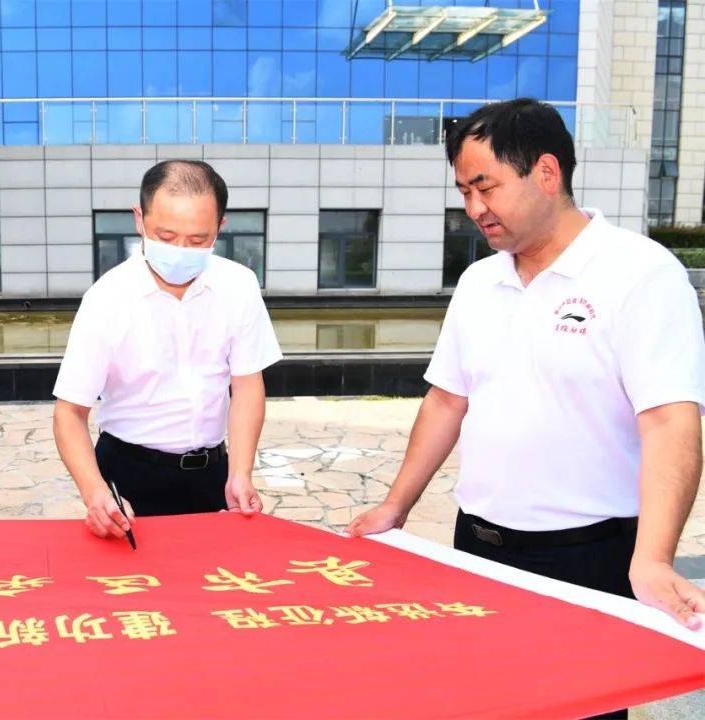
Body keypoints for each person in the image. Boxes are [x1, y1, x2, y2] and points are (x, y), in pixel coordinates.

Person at [348, 99, 705, 639]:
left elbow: (670, 422)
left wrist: (653, 559)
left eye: (485, 187)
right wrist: (395, 506)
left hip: (590, 556)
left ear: (545, 172)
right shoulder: (478, 282)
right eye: (464, 192)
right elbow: (447, 400)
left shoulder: (642, 275)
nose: (473, 208)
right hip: (478, 546)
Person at [53, 160, 283, 541]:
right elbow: (69, 413)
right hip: (129, 476)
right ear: (139, 220)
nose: (180, 251)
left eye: (197, 240)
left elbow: (246, 386)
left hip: (213, 472)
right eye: (166, 235)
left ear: (219, 228)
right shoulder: (106, 299)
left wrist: (240, 472)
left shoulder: (238, 286)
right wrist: (95, 492)